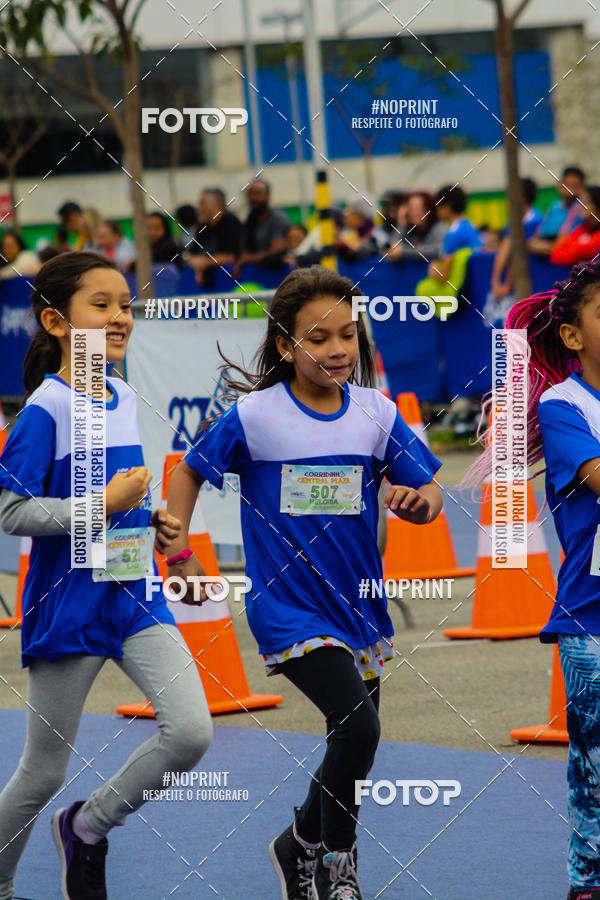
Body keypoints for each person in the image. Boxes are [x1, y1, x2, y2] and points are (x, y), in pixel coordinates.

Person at [165, 265, 443, 900]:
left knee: (352, 746)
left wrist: (417, 504)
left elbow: (428, 489)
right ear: (286, 346)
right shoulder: (256, 416)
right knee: (359, 729)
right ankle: (338, 865)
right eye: (318, 338)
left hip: (358, 609)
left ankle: (297, 845)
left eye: (347, 335)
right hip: (288, 607)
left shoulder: (374, 413)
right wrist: (178, 550)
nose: (338, 349)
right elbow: (188, 472)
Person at [0, 251, 212, 900]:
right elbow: (11, 511)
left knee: (190, 734)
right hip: (68, 605)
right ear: (55, 321)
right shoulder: (46, 409)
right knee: (42, 772)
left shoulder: (123, 395)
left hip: (136, 595)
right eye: (102, 305)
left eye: (126, 304)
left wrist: (158, 529)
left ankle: (87, 826)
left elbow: (122, 495)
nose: (121, 316)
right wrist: (103, 505)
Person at [462, 259, 600, 900]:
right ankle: (588, 881)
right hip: (591, 617)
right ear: (572, 335)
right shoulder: (563, 405)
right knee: (594, 762)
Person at [490, 177, 542, 302]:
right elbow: (504, 246)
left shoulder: (534, 220)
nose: (507, 200)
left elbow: (516, 251)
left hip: (529, 283)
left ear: (521, 197)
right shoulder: (514, 221)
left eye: (510, 195)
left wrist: (503, 284)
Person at [426, 183, 482, 284]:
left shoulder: (453, 234)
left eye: (438, 206)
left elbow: (443, 276)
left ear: (447, 207)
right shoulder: (470, 226)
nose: (436, 211)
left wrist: (433, 271)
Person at [186, 188, 243, 285]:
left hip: (228, 284)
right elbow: (190, 255)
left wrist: (205, 262)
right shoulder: (202, 227)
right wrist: (193, 262)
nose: (198, 207)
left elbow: (233, 256)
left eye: (202, 203)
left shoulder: (230, 223)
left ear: (216, 204)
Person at [234, 179, 289, 277]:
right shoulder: (249, 220)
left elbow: (276, 252)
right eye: (250, 194)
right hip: (255, 277)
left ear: (268, 196)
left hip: (278, 274)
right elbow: (243, 249)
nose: (253, 197)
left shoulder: (278, 218)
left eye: (258, 194)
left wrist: (247, 259)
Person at [528, 165, 586, 256]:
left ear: (582, 188)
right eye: (567, 184)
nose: (569, 189)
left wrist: (541, 246)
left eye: (574, 186)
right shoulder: (554, 207)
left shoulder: (580, 209)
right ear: (560, 184)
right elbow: (534, 240)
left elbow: (561, 245)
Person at [386, 191, 447, 264]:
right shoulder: (408, 229)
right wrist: (402, 222)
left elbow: (436, 251)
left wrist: (403, 251)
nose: (416, 213)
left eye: (420, 208)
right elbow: (394, 248)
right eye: (411, 208)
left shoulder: (439, 227)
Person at [549, 185, 600, 268]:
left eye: (585, 202)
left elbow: (576, 252)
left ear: (596, 204)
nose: (580, 206)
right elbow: (555, 254)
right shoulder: (583, 228)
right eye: (580, 202)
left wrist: (574, 248)